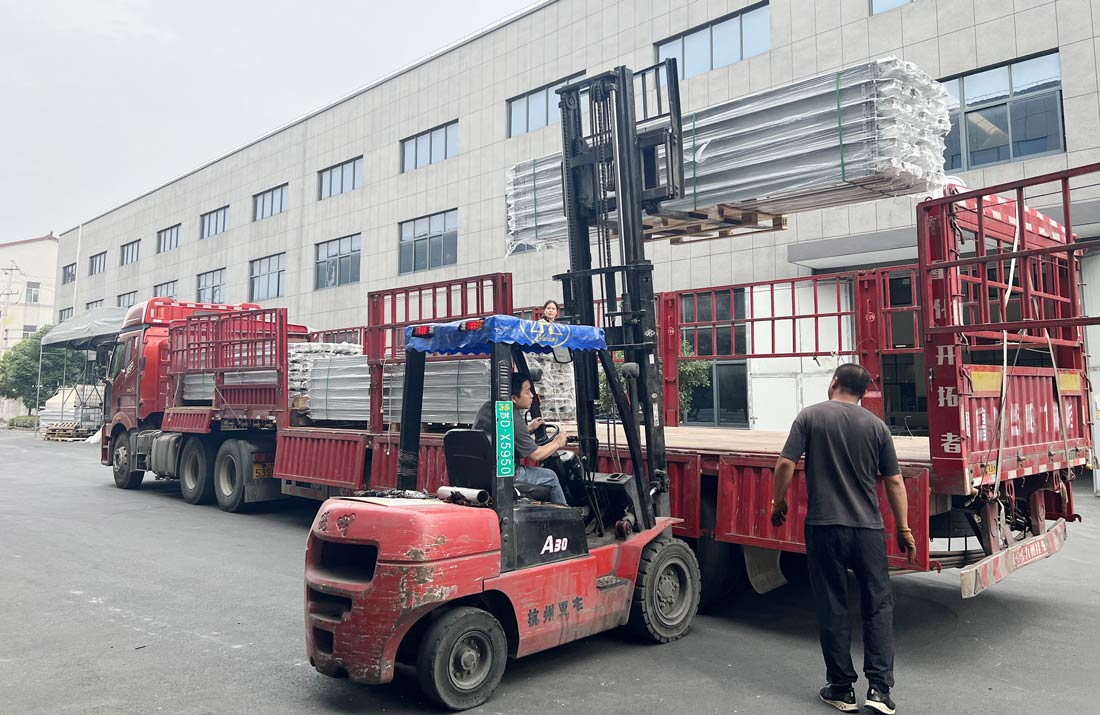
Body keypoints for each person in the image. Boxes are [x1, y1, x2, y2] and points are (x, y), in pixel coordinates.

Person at [770, 363, 916, 715]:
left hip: (825, 528)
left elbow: (785, 464)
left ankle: (841, 689)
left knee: (833, 605)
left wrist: (779, 501)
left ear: (834, 382)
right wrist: (904, 528)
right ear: (863, 393)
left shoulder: (810, 416)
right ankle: (879, 690)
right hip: (868, 530)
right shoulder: (877, 426)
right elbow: (894, 481)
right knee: (878, 605)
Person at [474, 372, 570, 505]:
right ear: (514, 398)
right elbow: (536, 455)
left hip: (482, 473)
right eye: (527, 391)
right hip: (507, 476)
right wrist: (557, 443)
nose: (532, 395)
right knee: (551, 476)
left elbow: (500, 433)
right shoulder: (513, 418)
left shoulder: (488, 408)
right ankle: (566, 514)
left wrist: (528, 429)